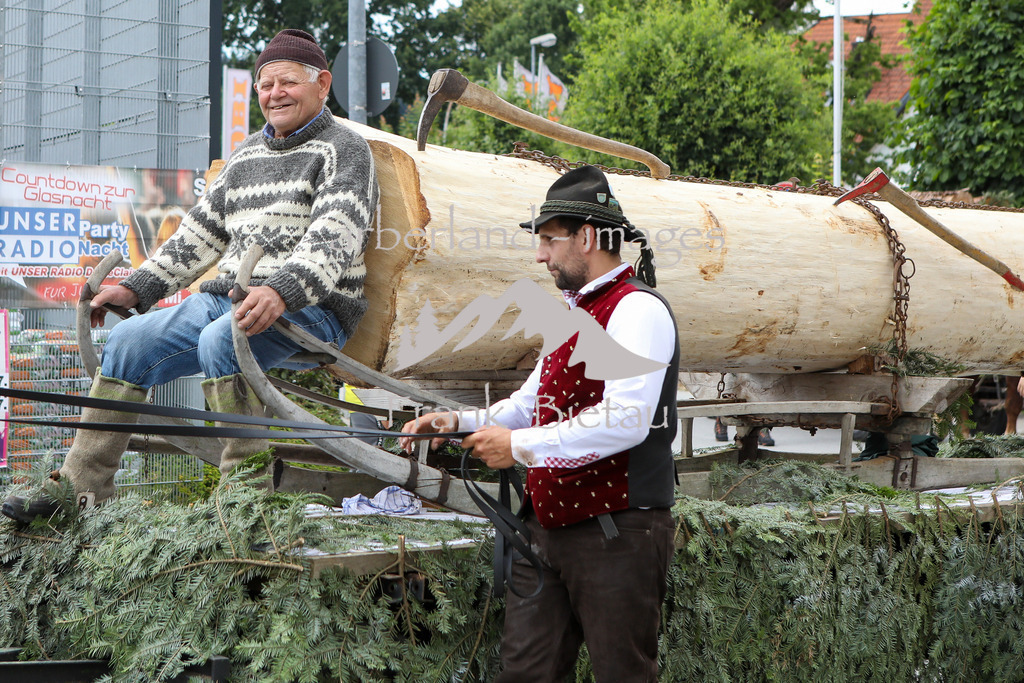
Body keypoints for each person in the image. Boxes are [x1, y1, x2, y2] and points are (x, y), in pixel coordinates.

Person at [3, 29, 379, 522]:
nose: (273, 95)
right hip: (232, 298)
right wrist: (136, 286)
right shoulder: (246, 158)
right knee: (128, 341)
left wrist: (281, 292)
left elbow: (333, 239)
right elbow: (195, 237)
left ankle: (245, 502)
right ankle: (80, 491)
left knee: (222, 340)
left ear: (322, 84)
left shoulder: (344, 151)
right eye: (265, 85)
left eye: (287, 82)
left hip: (313, 308)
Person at [400, 165, 679, 682]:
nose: (540, 254)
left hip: (616, 530)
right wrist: (456, 421)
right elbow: (530, 405)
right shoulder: (575, 313)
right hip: (545, 528)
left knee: (624, 675)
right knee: (526, 674)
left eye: (550, 240)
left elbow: (627, 420)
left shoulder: (638, 310)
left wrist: (520, 448)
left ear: (588, 237)